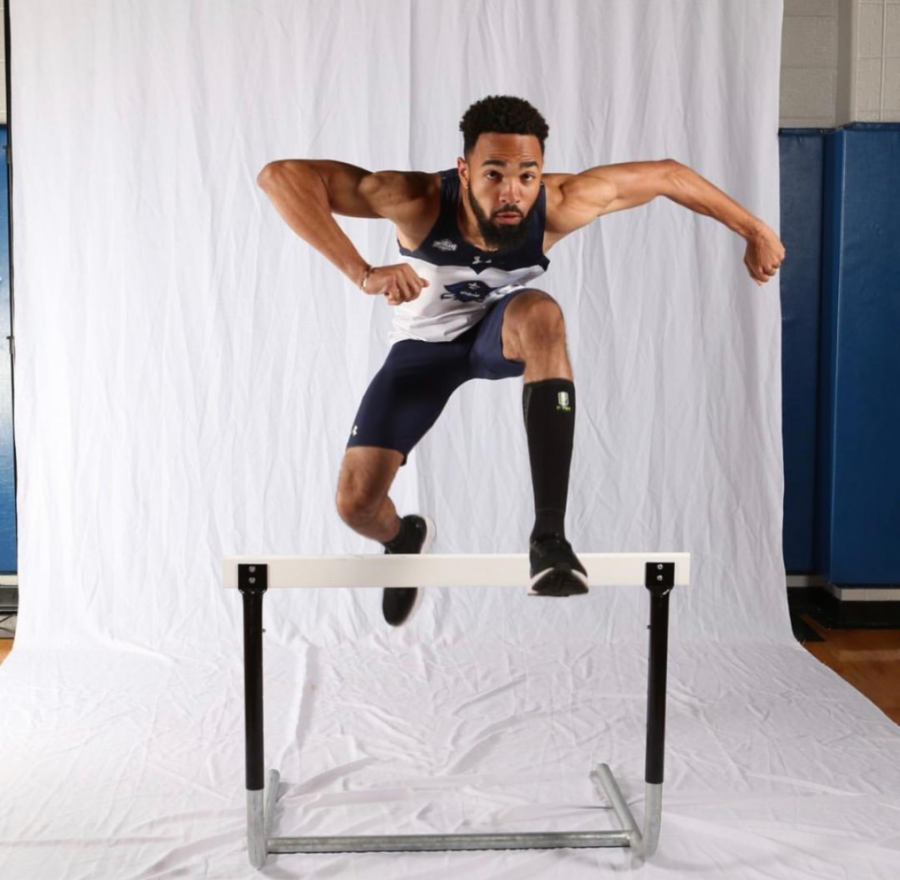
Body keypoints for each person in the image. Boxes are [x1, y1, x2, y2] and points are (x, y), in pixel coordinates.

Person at [257, 94, 786, 627]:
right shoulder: (415, 197)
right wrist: (363, 271)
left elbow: (670, 176)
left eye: (527, 175)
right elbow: (282, 176)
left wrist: (757, 231)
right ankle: (404, 539)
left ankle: (549, 538)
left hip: (499, 333)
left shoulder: (558, 201)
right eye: (494, 174)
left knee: (543, 314)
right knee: (356, 505)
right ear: (464, 171)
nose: (512, 193)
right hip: (424, 351)